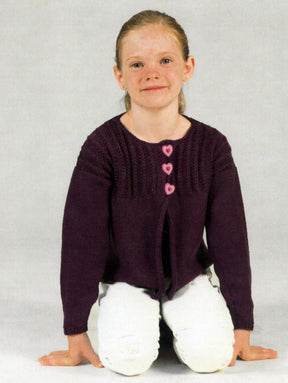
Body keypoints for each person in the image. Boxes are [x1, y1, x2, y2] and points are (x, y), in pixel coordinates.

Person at [38, 10, 277, 375]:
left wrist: (242, 323)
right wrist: (75, 329)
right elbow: (81, 239)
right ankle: (130, 309)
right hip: (125, 277)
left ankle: (179, 311)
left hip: (188, 275)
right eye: (136, 64)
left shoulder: (212, 146)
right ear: (119, 76)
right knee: (129, 362)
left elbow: (230, 235)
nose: (152, 72)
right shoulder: (102, 147)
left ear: (188, 67)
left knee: (212, 358)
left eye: (166, 60)